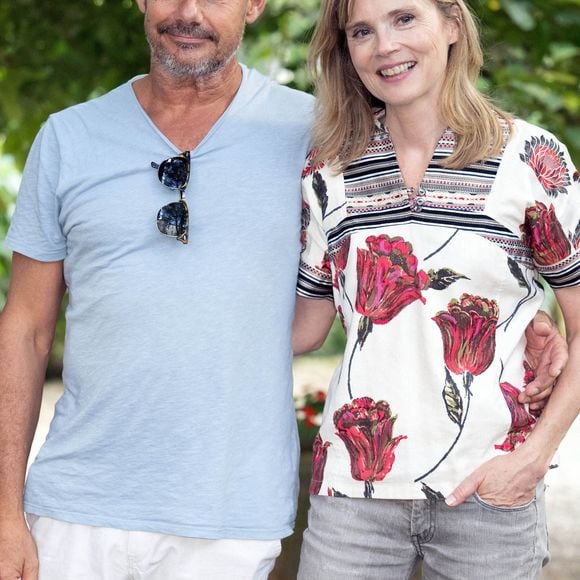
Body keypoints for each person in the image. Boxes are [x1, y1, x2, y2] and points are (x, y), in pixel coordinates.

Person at [0, 1, 565, 579]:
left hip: (234, 515)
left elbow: (422, 247)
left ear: (254, 4)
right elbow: (24, 331)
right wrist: (3, 514)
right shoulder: (71, 138)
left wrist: (523, 324)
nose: (189, 11)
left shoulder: (316, 136)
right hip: (78, 505)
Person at [293, 0, 580, 578]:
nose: (385, 46)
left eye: (404, 19)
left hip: (490, 491)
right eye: (362, 31)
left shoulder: (532, 158)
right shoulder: (327, 169)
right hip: (352, 497)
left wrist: (533, 458)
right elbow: (306, 326)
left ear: (451, 24)